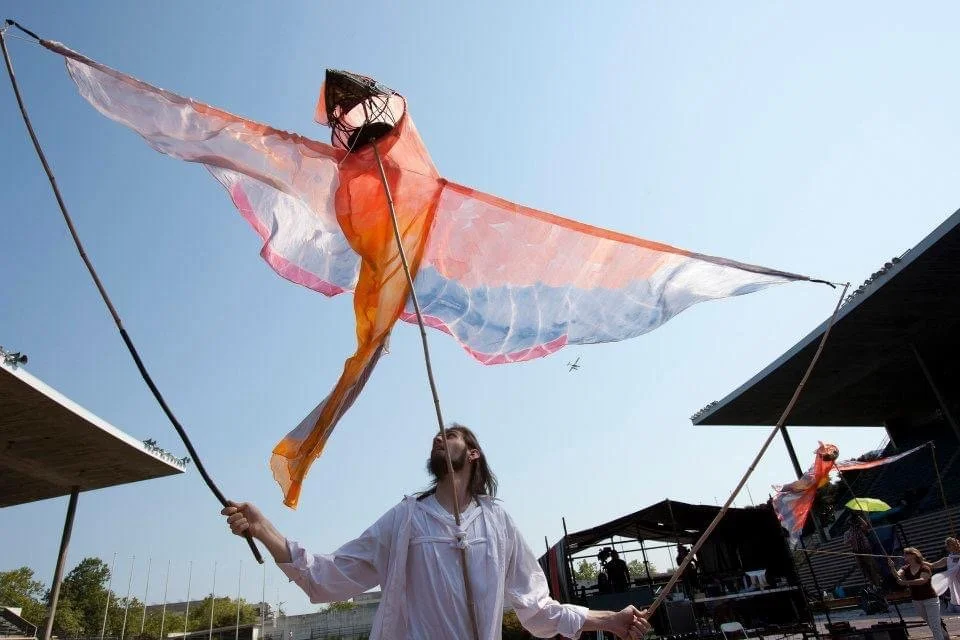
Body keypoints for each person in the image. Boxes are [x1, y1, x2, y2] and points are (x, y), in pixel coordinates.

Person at [222, 424, 652, 640]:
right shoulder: (406, 520)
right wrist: (264, 530)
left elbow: (537, 608)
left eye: (451, 435)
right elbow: (328, 577)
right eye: (437, 436)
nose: (439, 438)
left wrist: (610, 621)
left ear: (475, 454)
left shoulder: (497, 522)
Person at [888, 548, 945, 640]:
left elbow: (922, 581)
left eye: (907, 554)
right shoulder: (905, 568)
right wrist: (892, 567)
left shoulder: (924, 567)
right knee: (931, 623)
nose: (904, 556)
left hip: (930, 599)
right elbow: (898, 576)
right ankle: (944, 635)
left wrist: (906, 582)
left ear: (914, 555)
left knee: (934, 625)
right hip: (917, 599)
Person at [845, 516, 881, 588]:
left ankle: (878, 584)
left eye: (853, 522)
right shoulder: (848, 533)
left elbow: (865, 525)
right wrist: (851, 539)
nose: (852, 524)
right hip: (857, 552)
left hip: (866, 550)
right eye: (851, 523)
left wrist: (858, 517)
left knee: (872, 567)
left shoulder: (860, 529)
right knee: (864, 569)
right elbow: (846, 543)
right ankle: (872, 584)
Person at [931, 536, 960, 615]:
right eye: (948, 545)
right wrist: (919, 561)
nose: (949, 547)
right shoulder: (947, 559)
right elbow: (932, 565)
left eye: (951, 544)